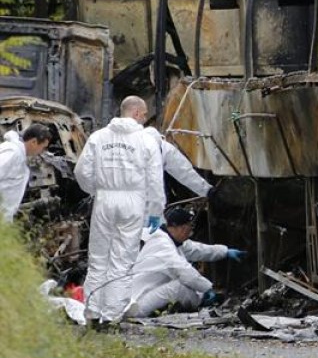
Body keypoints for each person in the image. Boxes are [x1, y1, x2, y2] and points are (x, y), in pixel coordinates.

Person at [75, 96, 165, 328]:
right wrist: (155, 209)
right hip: (132, 201)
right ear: (136, 113)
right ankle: (111, 317)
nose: (145, 119)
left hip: (104, 200)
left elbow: (81, 171)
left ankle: (92, 314)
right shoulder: (145, 141)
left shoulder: (98, 137)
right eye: (144, 114)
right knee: (122, 261)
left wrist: (97, 189)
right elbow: (155, 179)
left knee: (97, 260)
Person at [125, 207, 245, 317]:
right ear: (180, 227)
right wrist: (207, 289)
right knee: (180, 286)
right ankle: (202, 303)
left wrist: (225, 251)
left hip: (145, 294)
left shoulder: (169, 239)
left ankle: (201, 300)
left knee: (186, 286)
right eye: (189, 227)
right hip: (137, 305)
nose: (190, 232)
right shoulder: (162, 244)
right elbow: (184, 271)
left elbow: (196, 249)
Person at [0, 123, 53, 222]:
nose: (42, 152)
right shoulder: (13, 153)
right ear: (33, 142)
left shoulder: (19, 154)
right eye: (43, 147)